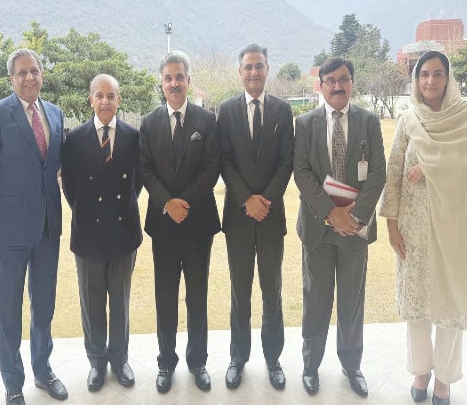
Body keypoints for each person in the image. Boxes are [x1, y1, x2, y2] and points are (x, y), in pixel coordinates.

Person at [379, 50, 467, 405]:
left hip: (457, 230)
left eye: (437, 74)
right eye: (423, 74)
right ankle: (421, 371)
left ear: (449, 78)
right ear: (416, 79)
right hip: (414, 231)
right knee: (417, 307)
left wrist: (433, 169)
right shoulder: (407, 119)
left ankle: (444, 379)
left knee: (451, 305)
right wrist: (392, 226)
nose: (430, 81)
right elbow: (395, 173)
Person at [0, 49, 67, 405]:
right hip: (11, 232)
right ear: (11, 78)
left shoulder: (55, 113)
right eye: (22, 72)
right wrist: (4, 210)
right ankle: (13, 383)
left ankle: (43, 371)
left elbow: (55, 167)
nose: (30, 78)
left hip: (47, 229)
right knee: (9, 310)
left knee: (44, 305)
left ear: (43, 75)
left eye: (35, 71)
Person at [293, 57, 386, 397]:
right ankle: (310, 366)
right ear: (321, 85)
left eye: (343, 79)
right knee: (315, 300)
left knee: (351, 300)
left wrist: (356, 216)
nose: (336, 86)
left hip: (355, 231)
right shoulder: (304, 123)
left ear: (352, 82)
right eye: (330, 80)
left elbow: (378, 173)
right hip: (319, 229)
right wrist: (332, 214)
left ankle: (351, 365)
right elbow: (301, 173)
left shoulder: (369, 122)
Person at [138, 51, 220, 394]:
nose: (174, 83)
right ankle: (166, 362)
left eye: (180, 77)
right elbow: (145, 169)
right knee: (165, 295)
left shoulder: (207, 120)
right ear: (162, 83)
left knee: (197, 295)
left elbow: (211, 168)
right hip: (164, 224)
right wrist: (167, 203)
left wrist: (184, 202)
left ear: (188, 80)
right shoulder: (149, 122)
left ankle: (197, 361)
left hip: (198, 221)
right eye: (168, 78)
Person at [216, 44, 294, 391]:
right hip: (239, 217)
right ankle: (238, 357)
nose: (254, 72)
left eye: (259, 66)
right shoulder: (226, 111)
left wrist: (265, 200)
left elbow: (286, 162)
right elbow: (224, 162)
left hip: (271, 216)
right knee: (239, 289)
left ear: (268, 69)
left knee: (271, 289)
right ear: (239, 72)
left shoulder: (282, 110)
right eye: (248, 67)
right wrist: (247, 199)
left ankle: (273, 359)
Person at [61, 74, 142, 392]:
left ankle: (120, 361)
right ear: (90, 100)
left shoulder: (133, 136)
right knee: (92, 303)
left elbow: (137, 183)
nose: (105, 101)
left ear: (118, 100)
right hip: (89, 233)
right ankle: (97, 362)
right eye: (99, 95)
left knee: (119, 301)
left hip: (123, 232)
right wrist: (89, 212)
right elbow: (70, 186)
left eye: (111, 95)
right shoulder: (75, 138)